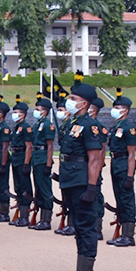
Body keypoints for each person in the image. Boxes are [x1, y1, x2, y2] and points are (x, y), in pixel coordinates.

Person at [55, 81, 102, 271]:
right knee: (78, 227)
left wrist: (92, 187)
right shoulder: (71, 123)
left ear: (84, 104)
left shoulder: (89, 126)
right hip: (71, 180)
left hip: (82, 182)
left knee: (86, 227)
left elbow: (94, 159)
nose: (69, 101)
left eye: (73, 99)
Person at [107, 88, 136, 247]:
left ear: (125, 111)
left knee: (127, 199)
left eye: (118, 108)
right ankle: (122, 232)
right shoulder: (116, 127)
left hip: (125, 164)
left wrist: (130, 176)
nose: (115, 110)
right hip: (115, 164)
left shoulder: (128, 128)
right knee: (119, 198)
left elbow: (132, 155)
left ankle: (128, 235)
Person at [28, 94, 56, 231]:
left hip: (43, 158)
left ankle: (46, 219)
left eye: (38, 109)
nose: (36, 111)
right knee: (38, 188)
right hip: (36, 158)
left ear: (44, 111)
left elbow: (50, 146)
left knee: (45, 189)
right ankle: (40, 218)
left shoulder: (47, 125)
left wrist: (48, 164)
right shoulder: (38, 124)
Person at [8, 95, 33, 227]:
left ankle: (25, 215)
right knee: (17, 186)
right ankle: (20, 213)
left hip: (22, 157)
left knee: (25, 187)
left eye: (17, 113)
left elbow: (29, 146)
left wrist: (26, 164)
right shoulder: (16, 127)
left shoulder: (25, 127)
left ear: (23, 115)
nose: (14, 115)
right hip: (16, 158)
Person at [54, 91, 76, 236]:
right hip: (65, 163)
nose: (59, 113)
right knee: (66, 195)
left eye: (61, 110)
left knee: (73, 196)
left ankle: (73, 224)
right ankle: (69, 223)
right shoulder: (64, 125)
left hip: (73, 164)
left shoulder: (71, 125)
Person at [88, 98, 108, 240]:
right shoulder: (86, 125)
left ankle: (97, 227)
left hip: (94, 168)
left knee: (95, 195)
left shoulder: (97, 126)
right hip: (85, 166)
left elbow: (102, 150)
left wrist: (98, 169)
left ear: (93, 111)